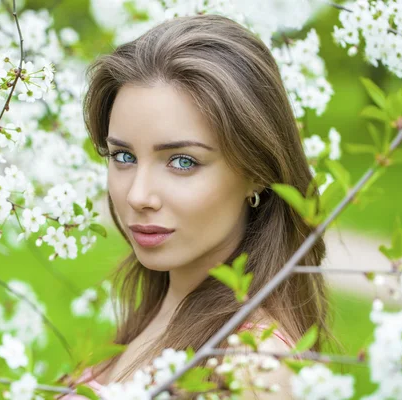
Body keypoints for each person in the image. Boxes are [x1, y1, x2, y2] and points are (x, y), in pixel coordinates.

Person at [59, 13, 332, 399]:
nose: (138, 195)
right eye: (123, 156)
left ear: (256, 172)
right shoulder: (163, 308)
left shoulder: (252, 370)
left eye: (182, 161)